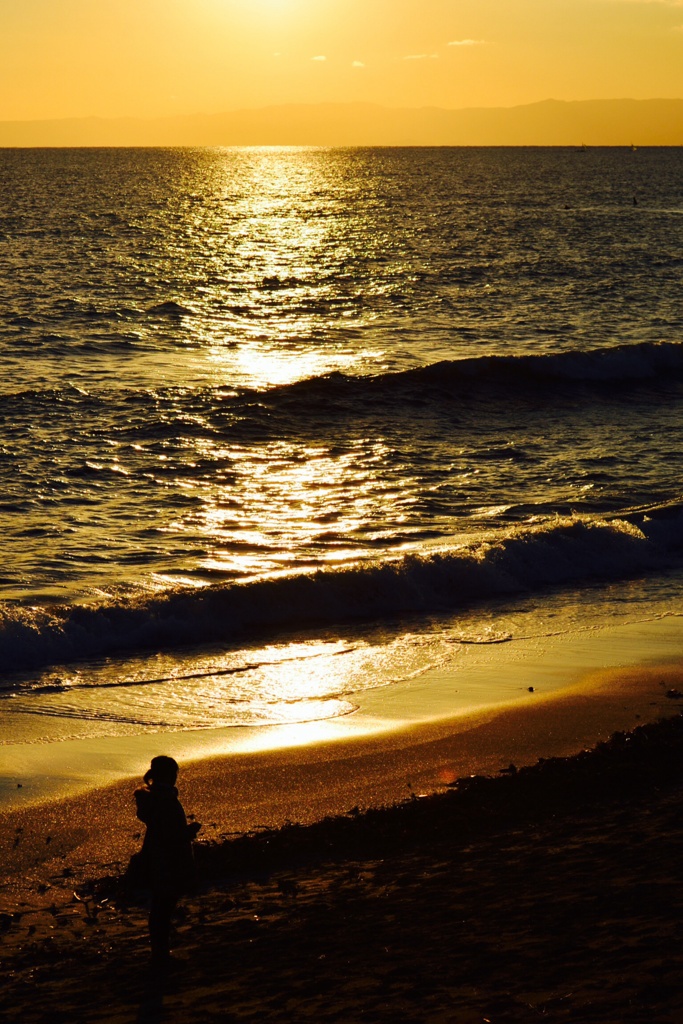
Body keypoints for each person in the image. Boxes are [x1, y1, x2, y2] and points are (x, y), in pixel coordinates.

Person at [133, 755, 201, 964]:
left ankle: (160, 953)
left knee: (160, 907)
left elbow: (160, 828)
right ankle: (161, 956)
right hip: (168, 859)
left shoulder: (151, 797)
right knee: (163, 907)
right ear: (170, 774)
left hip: (155, 855)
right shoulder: (165, 798)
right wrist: (188, 832)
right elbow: (170, 834)